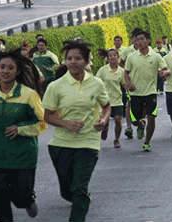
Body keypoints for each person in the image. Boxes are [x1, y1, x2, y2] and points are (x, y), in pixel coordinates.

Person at [0, 49, 47, 222]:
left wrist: (20, 129)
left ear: (17, 71)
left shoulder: (29, 95)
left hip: (22, 158)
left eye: (10, 68)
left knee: (20, 198)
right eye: (2, 67)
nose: (5, 71)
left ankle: (27, 200)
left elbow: (42, 123)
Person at [42, 41, 110, 222]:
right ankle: (78, 198)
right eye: (69, 58)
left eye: (78, 58)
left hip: (88, 142)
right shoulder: (55, 86)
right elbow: (47, 116)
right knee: (67, 191)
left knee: (79, 189)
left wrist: (103, 120)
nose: (73, 62)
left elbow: (106, 106)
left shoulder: (96, 83)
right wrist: (65, 123)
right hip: (61, 144)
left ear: (87, 61)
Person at [124, 30, 170, 152]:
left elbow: (166, 69)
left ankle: (147, 142)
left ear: (148, 40)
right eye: (137, 39)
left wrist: (164, 73)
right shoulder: (131, 57)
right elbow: (126, 72)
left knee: (151, 116)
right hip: (135, 93)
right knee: (134, 120)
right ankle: (140, 125)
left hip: (151, 92)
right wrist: (129, 83)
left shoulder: (155, 56)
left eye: (142, 39)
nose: (139, 42)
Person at [96, 48, 126, 148]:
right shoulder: (103, 70)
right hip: (105, 101)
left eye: (114, 55)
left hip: (117, 100)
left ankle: (116, 139)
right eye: (110, 56)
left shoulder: (121, 71)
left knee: (118, 120)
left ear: (118, 57)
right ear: (108, 59)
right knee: (104, 121)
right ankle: (105, 128)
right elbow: (96, 83)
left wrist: (132, 90)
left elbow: (125, 84)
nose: (113, 57)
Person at [119, 28, 143, 139]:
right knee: (129, 104)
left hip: (144, 83)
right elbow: (121, 64)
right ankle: (128, 127)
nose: (137, 41)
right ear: (133, 39)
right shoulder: (127, 51)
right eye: (135, 38)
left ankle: (140, 123)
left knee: (142, 106)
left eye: (140, 38)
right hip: (130, 83)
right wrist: (127, 75)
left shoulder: (148, 51)